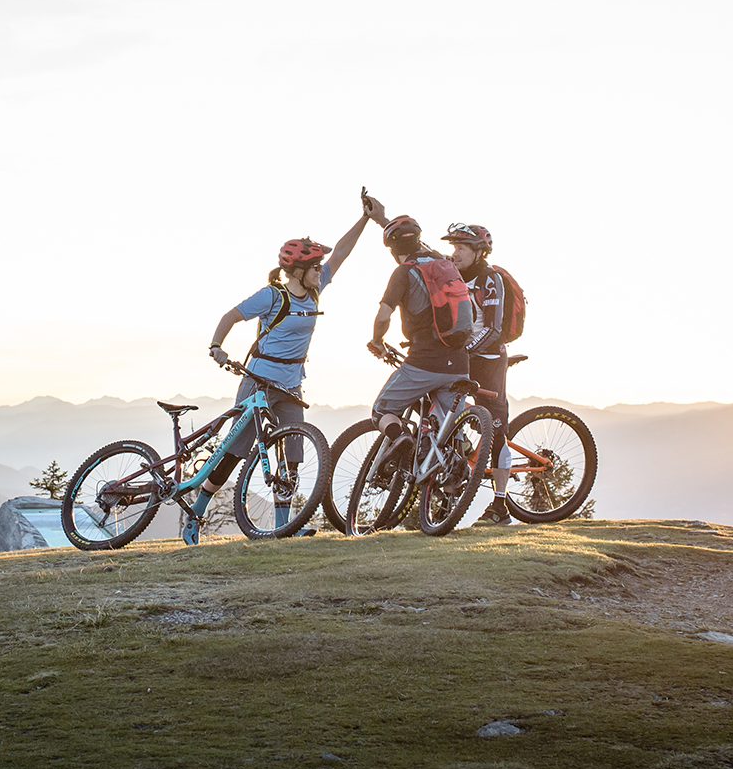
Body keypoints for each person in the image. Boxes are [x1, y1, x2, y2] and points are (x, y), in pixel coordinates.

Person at [189, 200, 377, 543]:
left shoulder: (315, 290)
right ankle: (196, 514)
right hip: (258, 382)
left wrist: (364, 218)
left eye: (320, 267)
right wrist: (217, 347)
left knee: (291, 457)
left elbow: (343, 254)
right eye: (315, 266)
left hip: (291, 385)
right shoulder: (272, 296)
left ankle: (281, 527)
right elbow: (231, 316)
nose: (321, 270)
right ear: (298, 271)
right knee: (235, 453)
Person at [364, 208, 473, 460]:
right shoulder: (445, 265)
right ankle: (453, 480)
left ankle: (400, 437)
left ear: (393, 250)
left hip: (424, 361)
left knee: (382, 411)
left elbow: (383, 316)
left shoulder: (403, 272)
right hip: (459, 363)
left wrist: (377, 341)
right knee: (449, 433)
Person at [443, 222, 515, 525]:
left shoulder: (490, 279)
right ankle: (453, 477)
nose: (454, 253)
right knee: (442, 415)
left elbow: (495, 328)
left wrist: (467, 350)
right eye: (453, 247)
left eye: (461, 248)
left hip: (488, 360)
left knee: (496, 431)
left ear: (478, 252)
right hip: (461, 356)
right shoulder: (451, 273)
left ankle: (500, 507)